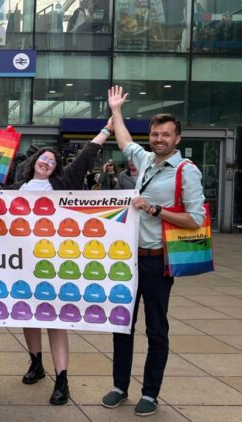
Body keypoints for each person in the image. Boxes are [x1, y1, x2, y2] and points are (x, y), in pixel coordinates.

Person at [102, 86, 205, 416]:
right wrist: (116, 111)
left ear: (177, 138)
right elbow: (123, 142)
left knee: (156, 329)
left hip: (159, 261)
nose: (159, 139)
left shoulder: (186, 171)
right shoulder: (145, 159)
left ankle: (151, 392)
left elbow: (196, 219)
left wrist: (155, 210)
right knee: (122, 325)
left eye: (166, 134)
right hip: (129, 261)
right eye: (155, 133)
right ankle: (120, 386)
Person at [8, 120, 113, 406]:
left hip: (53, 265)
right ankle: (36, 363)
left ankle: (62, 378)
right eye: (43, 158)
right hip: (22, 266)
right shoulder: (17, 188)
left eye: (52, 161)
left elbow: (85, 157)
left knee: (55, 320)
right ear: (34, 162)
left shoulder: (63, 184)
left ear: (56, 167)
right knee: (26, 315)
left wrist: (106, 130)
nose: (46, 163)